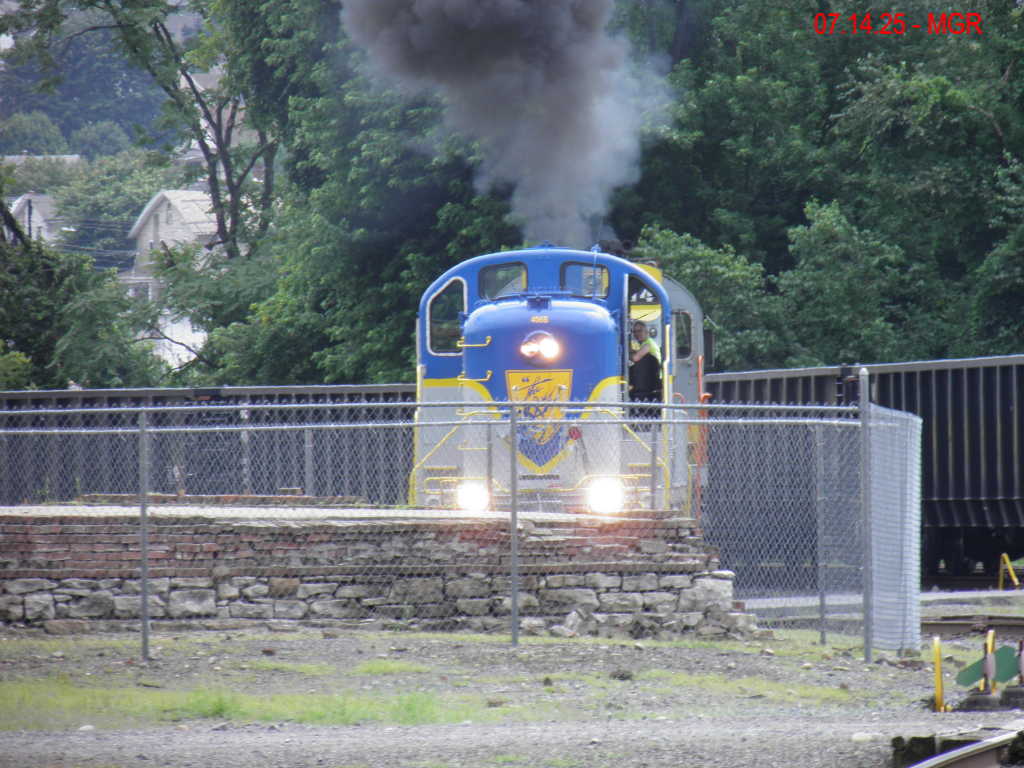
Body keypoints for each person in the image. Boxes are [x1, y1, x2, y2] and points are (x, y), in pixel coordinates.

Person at [628, 321, 662, 403]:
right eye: (634, 331)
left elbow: (635, 358)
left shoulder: (648, 344)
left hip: (654, 381)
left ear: (646, 332)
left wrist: (625, 353)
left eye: (640, 331)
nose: (637, 334)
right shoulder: (644, 344)